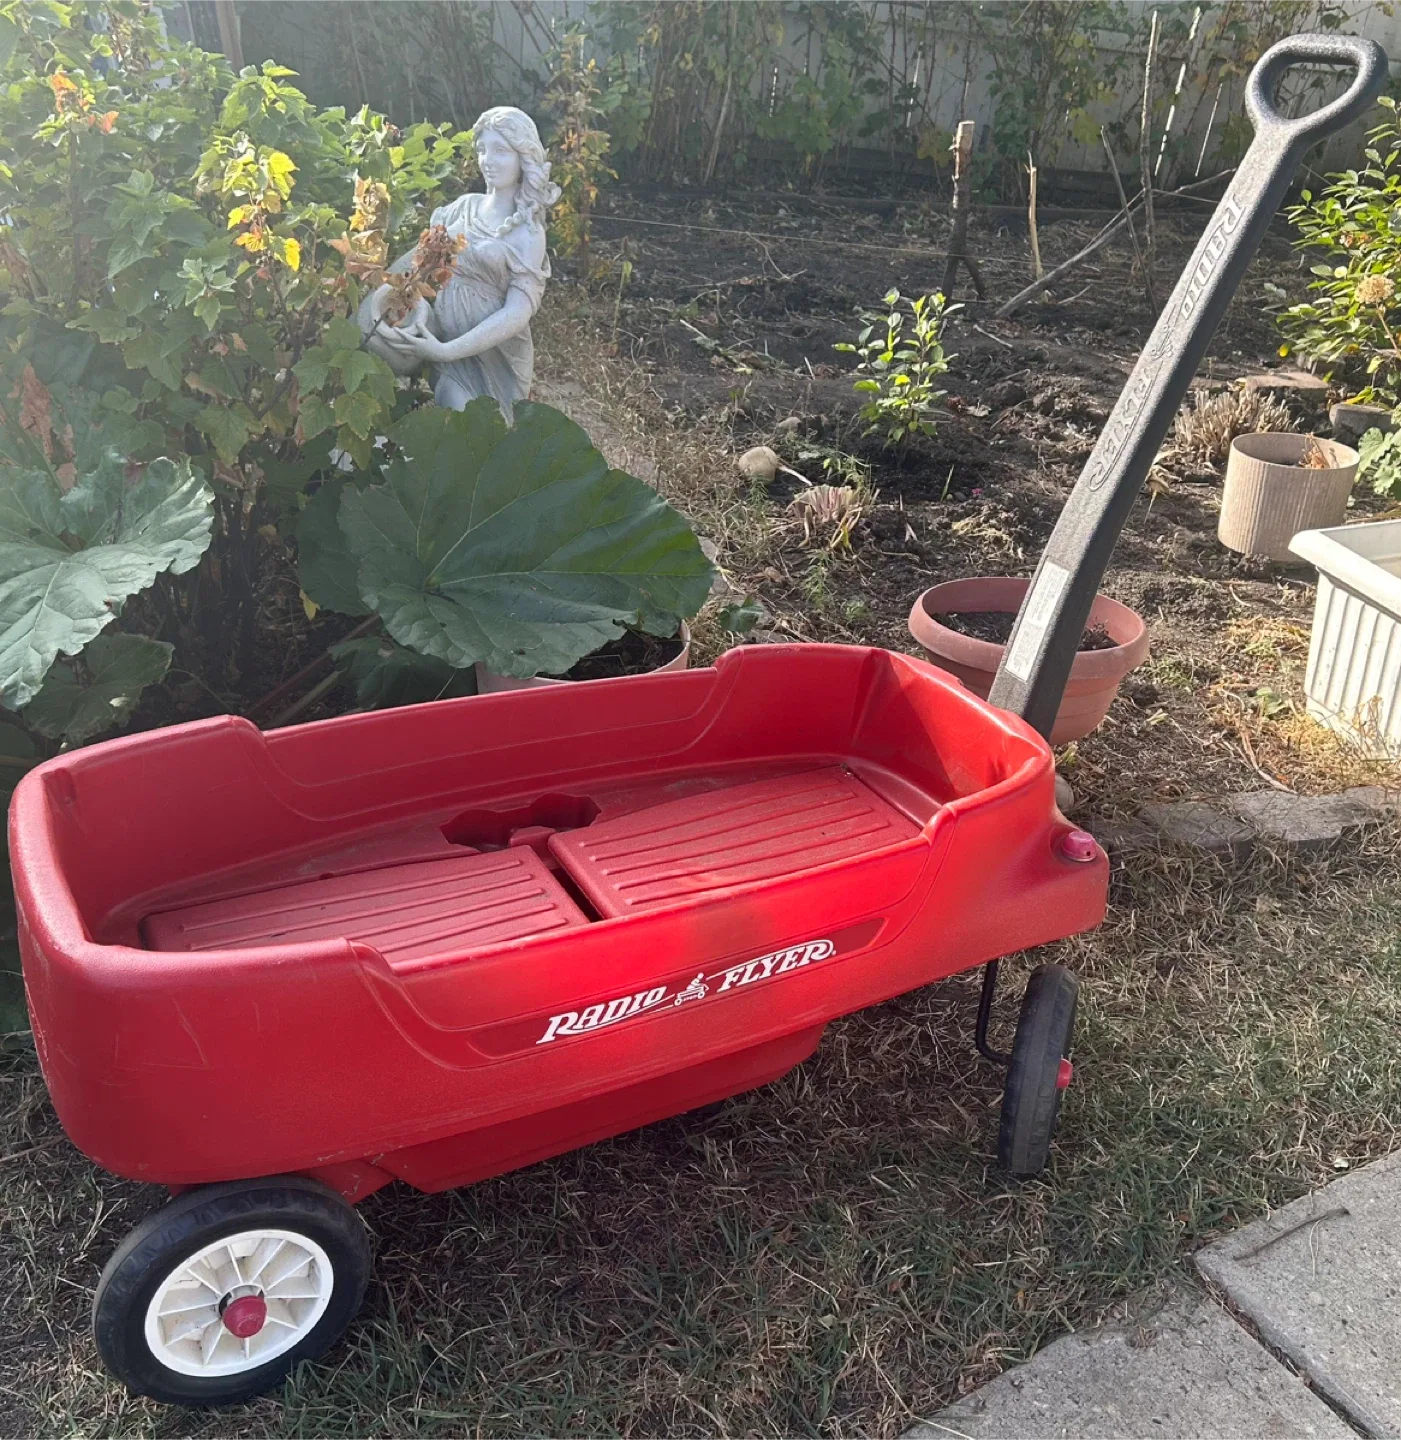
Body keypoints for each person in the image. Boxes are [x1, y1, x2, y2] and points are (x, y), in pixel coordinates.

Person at [362, 106, 560, 415]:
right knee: (456, 414)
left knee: (486, 429)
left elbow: (518, 312)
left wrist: (446, 351)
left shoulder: (528, 233)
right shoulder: (462, 208)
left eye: (500, 151)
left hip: (495, 357)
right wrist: (404, 305)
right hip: (445, 344)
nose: (488, 160)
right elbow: (419, 267)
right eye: (482, 150)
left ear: (523, 157)